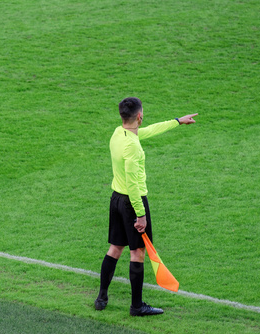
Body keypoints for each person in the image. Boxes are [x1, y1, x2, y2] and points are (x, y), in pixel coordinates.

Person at [95, 97, 197, 316]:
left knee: (115, 248)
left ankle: (102, 297)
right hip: (133, 202)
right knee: (138, 252)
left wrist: (177, 121)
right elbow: (133, 183)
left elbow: (147, 131)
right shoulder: (132, 147)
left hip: (116, 199)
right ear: (139, 116)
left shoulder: (118, 134)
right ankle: (136, 306)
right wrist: (140, 214)